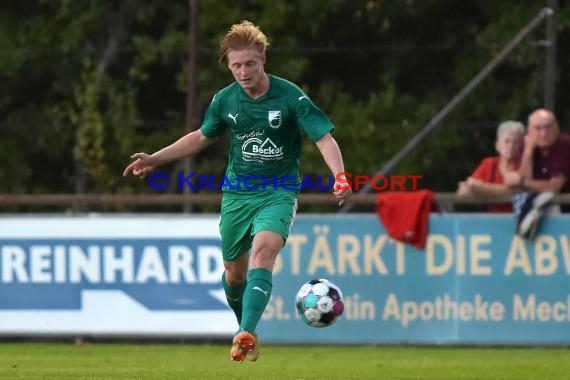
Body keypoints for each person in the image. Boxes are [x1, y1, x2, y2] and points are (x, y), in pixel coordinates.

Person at [122, 20, 352, 362]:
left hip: (278, 191)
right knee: (234, 275)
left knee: (263, 254)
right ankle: (247, 329)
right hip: (237, 194)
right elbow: (201, 136)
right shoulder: (224, 100)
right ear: (228, 65)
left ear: (263, 59)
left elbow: (323, 137)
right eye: (236, 66)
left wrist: (340, 175)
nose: (243, 72)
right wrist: (156, 158)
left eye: (250, 64)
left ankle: (243, 333)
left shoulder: (291, 97)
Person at [504, 108, 570, 237]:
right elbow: (523, 179)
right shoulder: (526, 147)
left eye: (548, 128)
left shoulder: (566, 146)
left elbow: (554, 187)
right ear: (529, 131)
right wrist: (528, 151)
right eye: (538, 128)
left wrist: (522, 182)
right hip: (545, 221)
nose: (543, 133)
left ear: (557, 128)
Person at [456, 120, 525, 212]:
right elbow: (463, 192)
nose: (511, 146)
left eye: (515, 142)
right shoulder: (490, 164)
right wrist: (497, 190)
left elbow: (518, 193)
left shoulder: (526, 165)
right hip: (494, 219)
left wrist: (483, 188)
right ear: (497, 146)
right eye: (507, 142)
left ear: (522, 146)